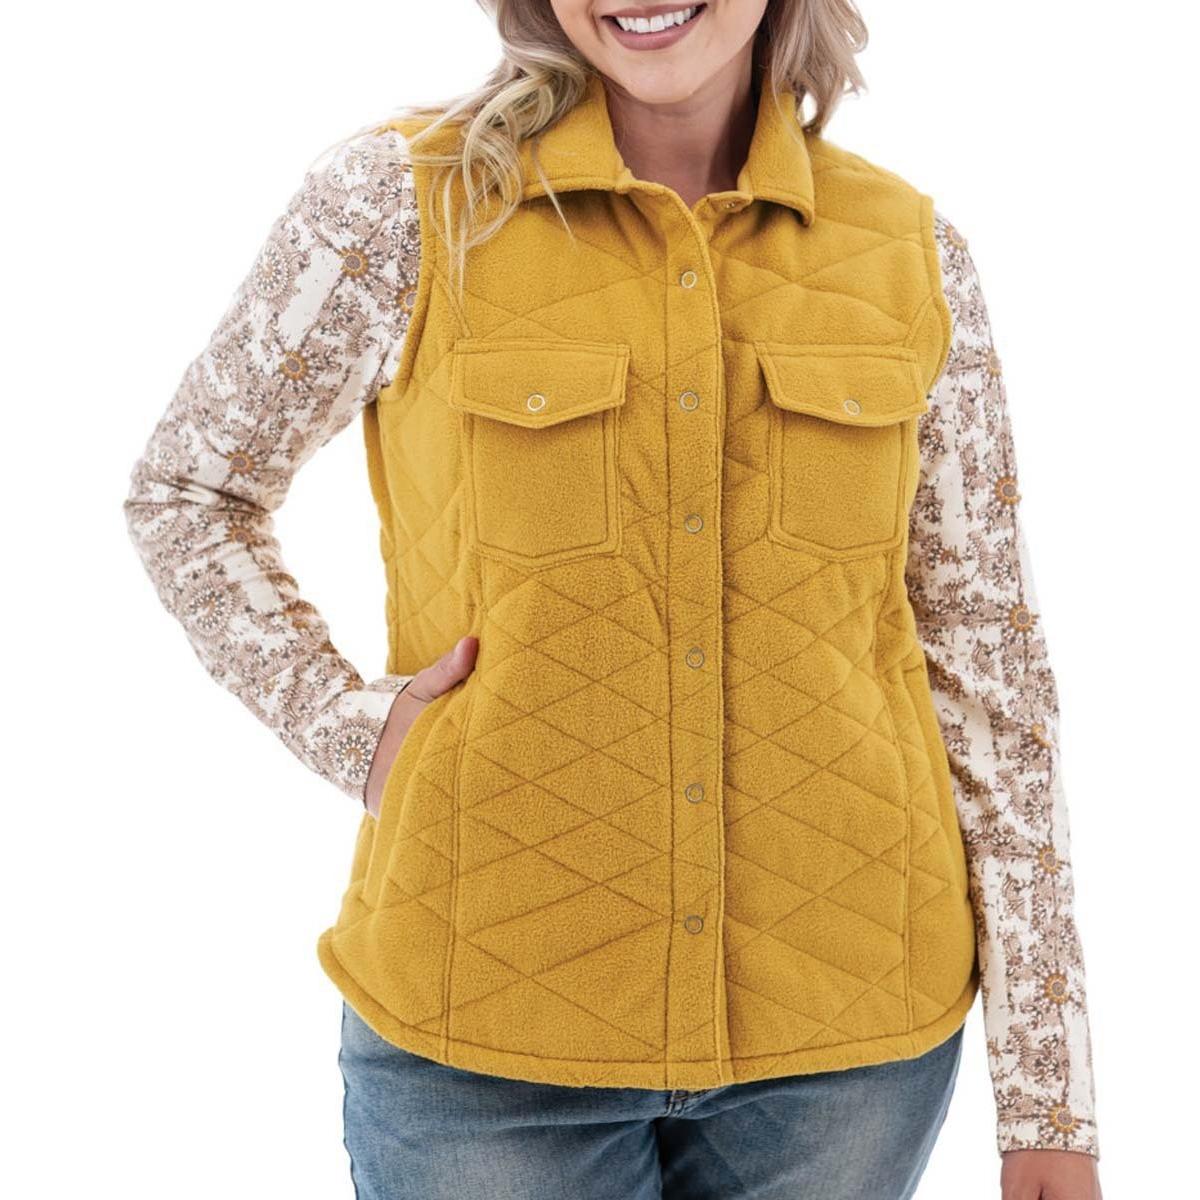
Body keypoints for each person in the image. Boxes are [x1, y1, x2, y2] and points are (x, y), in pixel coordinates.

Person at [122, 2, 1104, 1197]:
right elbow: (189, 491)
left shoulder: (908, 249)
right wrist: (352, 732)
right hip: (481, 1043)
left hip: (847, 1060)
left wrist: (1050, 1100)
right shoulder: (402, 206)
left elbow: (988, 661)